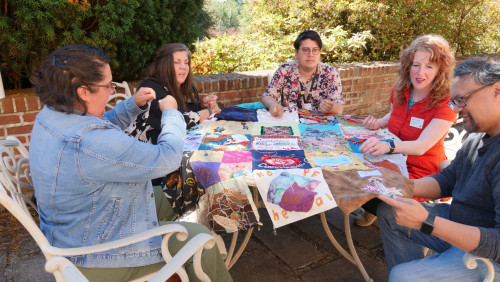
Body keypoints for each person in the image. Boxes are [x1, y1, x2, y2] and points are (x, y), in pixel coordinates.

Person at [28, 44, 232, 282]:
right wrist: (171, 114)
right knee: (201, 240)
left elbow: (101, 123)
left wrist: (132, 104)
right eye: (108, 86)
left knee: (181, 189)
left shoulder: (52, 116)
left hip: (78, 227)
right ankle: (198, 259)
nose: (110, 91)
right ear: (83, 92)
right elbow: (167, 158)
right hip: (97, 255)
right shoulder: (89, 141)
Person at [376, 58, 500, 281]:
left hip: (488, 257)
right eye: (454, 102)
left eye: (462, 99)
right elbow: (449, 179)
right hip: (460, 221)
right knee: (389, 214)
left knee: (403, 276)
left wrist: (428, 222)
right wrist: (403, 184)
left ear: (497, 90)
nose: (457, 110)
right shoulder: (478, 135)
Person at [355, 34, 457, 226]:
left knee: (367, 185)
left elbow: (421, 146)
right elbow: (394, 113)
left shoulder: (446, 103)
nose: (420, 72)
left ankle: (385, 214)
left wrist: (387, 146)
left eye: (429, 66)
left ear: (440, 70)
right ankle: (373, 210)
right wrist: (379, 122)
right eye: (416, 65)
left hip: (420, 172)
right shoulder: (401, 90)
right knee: (351, 171)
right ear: (408, 65)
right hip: (391, 160)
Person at [126, 43, 221, 215]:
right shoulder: (151, 88)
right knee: (208, 176)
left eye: (186, 62)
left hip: (179, 153)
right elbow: (180, 120)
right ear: (164, 65)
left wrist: (204, 104)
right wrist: (208, 111)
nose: (183, 67)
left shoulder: (186, 87)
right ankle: (196, 216)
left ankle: (208, 212)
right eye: (177, 62)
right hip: (155, 170)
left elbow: (191, 111)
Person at [261, 30, 344, 117]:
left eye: (315, 50)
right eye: (305, 50)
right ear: (296, 53)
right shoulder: (285, 70)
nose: (311, 54)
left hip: (320, 124)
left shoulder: (330, 73)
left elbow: (339, 108)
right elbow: (267, 96)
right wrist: (273, 105)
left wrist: (331, 107)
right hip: (291, 121)